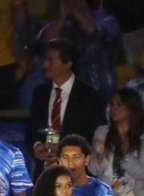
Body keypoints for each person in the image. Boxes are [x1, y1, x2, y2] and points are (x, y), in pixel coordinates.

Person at [26, 38, 106, 180]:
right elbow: (31, 128)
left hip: (76, 175)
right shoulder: (40, 93)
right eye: (46, 59)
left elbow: (95, 135)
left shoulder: (90, 96)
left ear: (68, 63)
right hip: (45, 174)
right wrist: (37, 145)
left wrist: (67, 149)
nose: (45, 65)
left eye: (51, 60)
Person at [89, 88, 144, 196]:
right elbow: (93, 169)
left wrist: (125, 154)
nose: (114, 108)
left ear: (131, 108)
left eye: (119, 105)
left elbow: (142, 172)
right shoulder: (102, 132)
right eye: (112, 104)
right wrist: (101, 155)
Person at [39, 0, 122, 102]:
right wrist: (62, 18)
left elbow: (95, 31)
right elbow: (44, 41)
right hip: (65, 93)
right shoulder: (60, 25)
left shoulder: (107, 20)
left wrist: (77, 12)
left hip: (98, 91)